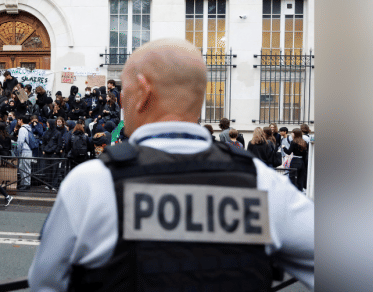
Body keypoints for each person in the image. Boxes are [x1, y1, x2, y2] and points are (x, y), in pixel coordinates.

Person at [29, 38, 314, 291]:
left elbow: (45, 282)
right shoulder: (263, 183)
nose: (121, 103)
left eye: (123, 93)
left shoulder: (91, 183)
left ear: (143, 91)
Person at [16, 115, 35, 190]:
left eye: (18, 120)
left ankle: (26, 184)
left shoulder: (22, 129)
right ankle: (24, 183)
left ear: (21, 120)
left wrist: (18, 151)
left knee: (24, 168)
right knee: (24, 167)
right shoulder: (29, 128)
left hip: (24, 150)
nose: (18, 121)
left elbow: (20, 141)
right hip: (28, 150)